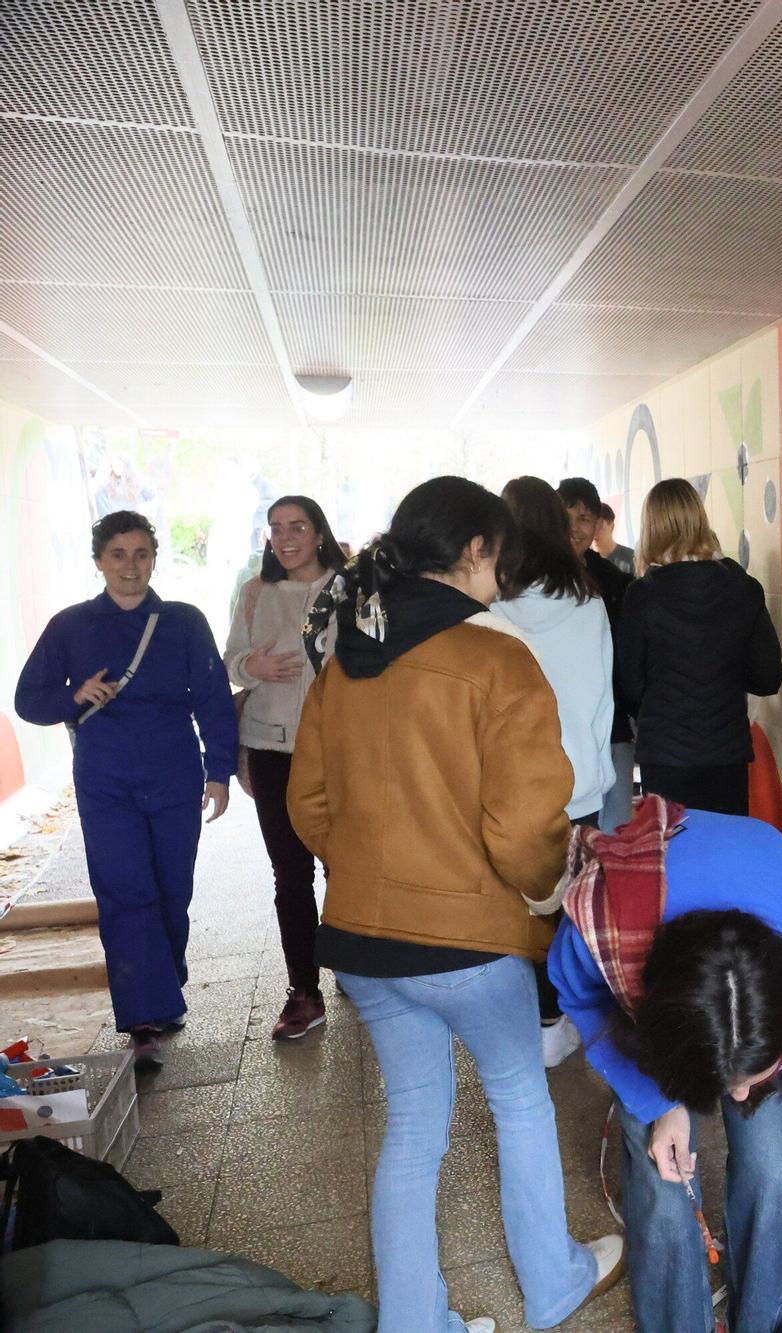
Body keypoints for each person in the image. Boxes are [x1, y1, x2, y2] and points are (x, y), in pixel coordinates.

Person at [288, 477, 623, 1333]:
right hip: (470, 945)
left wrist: (372, 870)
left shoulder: (345, 662)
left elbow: (308, 805)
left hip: (362, 943)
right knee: (517, 1097)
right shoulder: (496, 658)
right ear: (475, 551)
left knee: (413, 1127)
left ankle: (415, 1322)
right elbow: (523, 825)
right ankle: (552, 1282)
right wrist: (544, 892)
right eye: (497, 557)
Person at [548, 799, 782, 1333]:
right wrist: (660, 1101)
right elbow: (577, 994)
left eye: (752, 1078)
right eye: (725, 1085)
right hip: (663, 974)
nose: (736, 1101)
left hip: (752, 915)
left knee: (773, 1172)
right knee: (663, 1184)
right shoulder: (605, 930)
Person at [14, 511, 235, 1069]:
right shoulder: (71, 626)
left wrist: (219, 770)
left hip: (173, 771)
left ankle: (162, 984)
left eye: (141, 554)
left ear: (155, 558)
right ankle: (142, 1014)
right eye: (118, 554)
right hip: (105, 776)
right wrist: (74, 695)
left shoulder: (184, 622)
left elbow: (211, 697)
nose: (130, 566)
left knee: (170, 889)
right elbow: (28, 699)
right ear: (99, 562)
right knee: (123, 890)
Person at [495, 475, 615, 1068]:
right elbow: (601, 700)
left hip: (515, 787)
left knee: (520, 907)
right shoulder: (589, 603)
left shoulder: (490, 609)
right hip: (580, 783)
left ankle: (534, 1019)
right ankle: (573, 1015)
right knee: (576, 906)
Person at [224, 495, 343, 1040]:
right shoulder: (255, 593)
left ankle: (355, 965)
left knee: (344, 865)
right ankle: (303, 990)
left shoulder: (350, 590)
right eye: (276, 528)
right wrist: (254, 665)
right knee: (289, 873)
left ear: (319, 533)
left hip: (339, 748)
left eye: (298, 525)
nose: (287, 536)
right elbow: (229, 659)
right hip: (272, 748)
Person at [618, 478, 782, 817]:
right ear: (699, 519)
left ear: (650, 528)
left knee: (672, 855)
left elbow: (630, 686)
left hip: (663, 757)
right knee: (723, 853)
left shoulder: (642, 596)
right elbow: (767, 677)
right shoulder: (742, 587)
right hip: (727, 755)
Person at [559, 477, 636, 830]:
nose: (575, 529)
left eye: (585, 519)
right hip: (558, 730)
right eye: (567, 517)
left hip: (614, 726)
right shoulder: (523, 584)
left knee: (617, 830)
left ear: (598, 525)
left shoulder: (615, 583)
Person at [594, 501, 636, 576]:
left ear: (612, 526)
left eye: (598, 525)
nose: (594, 532)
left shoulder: (632, 558)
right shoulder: (582, 560)